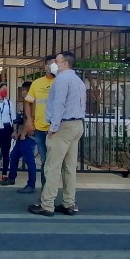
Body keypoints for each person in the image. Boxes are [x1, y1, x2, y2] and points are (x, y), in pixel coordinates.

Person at [28, 51, 86, 217]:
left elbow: (59, 104)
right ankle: (69, 203)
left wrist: (53, 127)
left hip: (62, 126)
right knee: (69, 167)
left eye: (57, 61)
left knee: (52, 167)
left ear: (65, 64)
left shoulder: (61, 79)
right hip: (77, 125)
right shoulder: (78, 81)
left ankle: (47, 205)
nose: (54, 63)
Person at [22, 55, 56, 191]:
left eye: (56, 64)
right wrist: (30, 121)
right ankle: (45, 194)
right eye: (52, 64)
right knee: (44, 162)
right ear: (45, 67)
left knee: (57, 163)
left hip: (57, 130)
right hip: (41, 129)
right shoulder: (37, 83)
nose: (54, 67)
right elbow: (28, 102)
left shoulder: (61, 81)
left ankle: (57, 197)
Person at [0, 82, 37, 193]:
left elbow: (32, 121)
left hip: (29, 136)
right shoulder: (26, 103)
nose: (23, 93)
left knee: (29, 160)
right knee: (14, 155)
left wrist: (23, 134)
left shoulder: (33, 104)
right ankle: (12, 178)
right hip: (23, 135)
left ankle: (31, 185)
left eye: (24, 91)